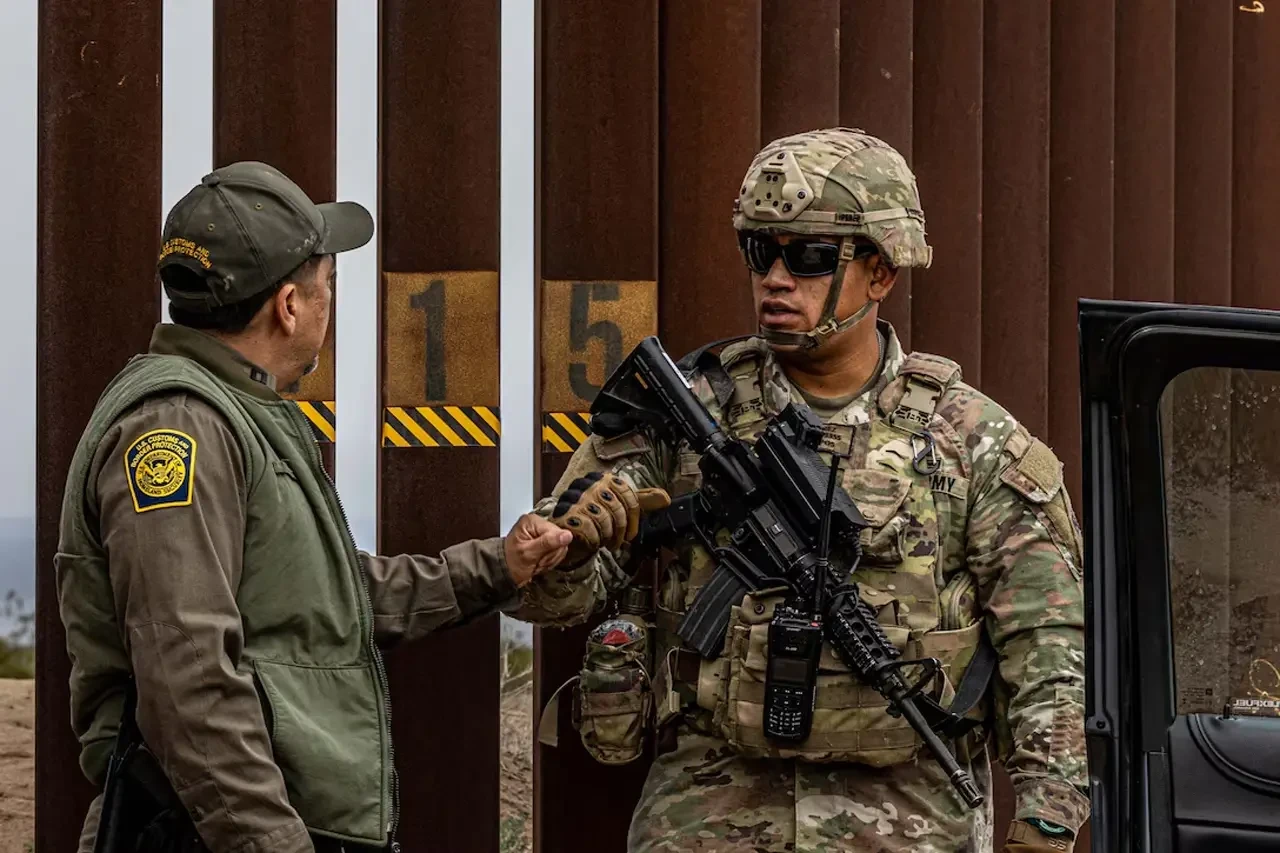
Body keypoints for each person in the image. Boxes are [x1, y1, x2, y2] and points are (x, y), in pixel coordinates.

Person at [519, 128, 1089, 853]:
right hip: (707, 812)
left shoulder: (971, 440)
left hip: (908, 818)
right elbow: (549, 598)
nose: (777, 278)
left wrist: (1047, 814)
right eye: (762, 251)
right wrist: (569, 548)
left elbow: (1046, 642)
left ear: (881, 272)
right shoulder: (681, 413)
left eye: (811, 256)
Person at [54, 161, 574, 853]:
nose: (332, 299)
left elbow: (323, 598)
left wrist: (498, 565)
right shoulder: (180, 428)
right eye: (329, 280)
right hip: (209, 835)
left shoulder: (235, 414)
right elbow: (189, 680)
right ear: (290, 305)